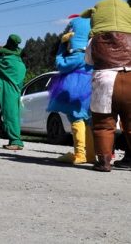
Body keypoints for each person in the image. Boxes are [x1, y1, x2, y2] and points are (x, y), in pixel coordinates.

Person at [80, 0, 131, 172]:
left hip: (105, 80)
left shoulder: (94, 40)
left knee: (104, 124)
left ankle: (104, 162)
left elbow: (88, 59)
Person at [47, 16, 94, 164]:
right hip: (91, 87)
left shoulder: (77, 55)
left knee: (76, 118)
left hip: (74, 88)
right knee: (88, 120)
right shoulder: (93, 53)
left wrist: (62, 46)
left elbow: (60, 65)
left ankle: (80, 154)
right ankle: (91, 155)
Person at [0, 34, 27, 151]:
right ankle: (14, 140)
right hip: (16, 90)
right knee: (14, 115)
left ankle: (16, 141)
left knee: (10, 115)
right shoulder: (19, 61)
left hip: (9, 91)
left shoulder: (6, 60)